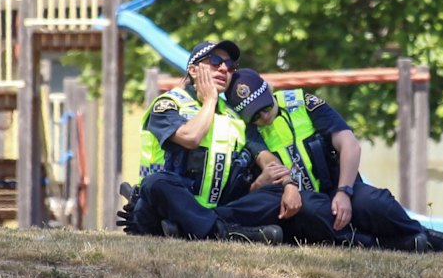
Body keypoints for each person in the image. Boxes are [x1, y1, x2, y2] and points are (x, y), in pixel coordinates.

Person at [224, 68, 443, 253]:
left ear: (269, 89)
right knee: (312, 211)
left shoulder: (304, 103)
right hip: (303, 201)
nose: (264, 117)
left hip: (338, 187)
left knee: (374, 201)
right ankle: (388, 244)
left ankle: (422, 234)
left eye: (264, 107)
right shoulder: (249, 131)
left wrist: (344, 191)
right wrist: (287, 185)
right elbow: (268, 163)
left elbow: (349, 144)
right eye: (254, 115)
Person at [116, 41, 303, 244]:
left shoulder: (235, 116)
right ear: (193, 70)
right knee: (157, 183)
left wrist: (288, 183)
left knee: (273, 194)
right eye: (215, 61)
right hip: (163, 208)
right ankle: (227, 233)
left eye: (230, 65)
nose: (224, 68)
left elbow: (266, 158)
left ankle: (191, 229)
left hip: (216, 209)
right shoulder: (168, 104)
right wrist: (210, 101)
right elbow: (191, 137)